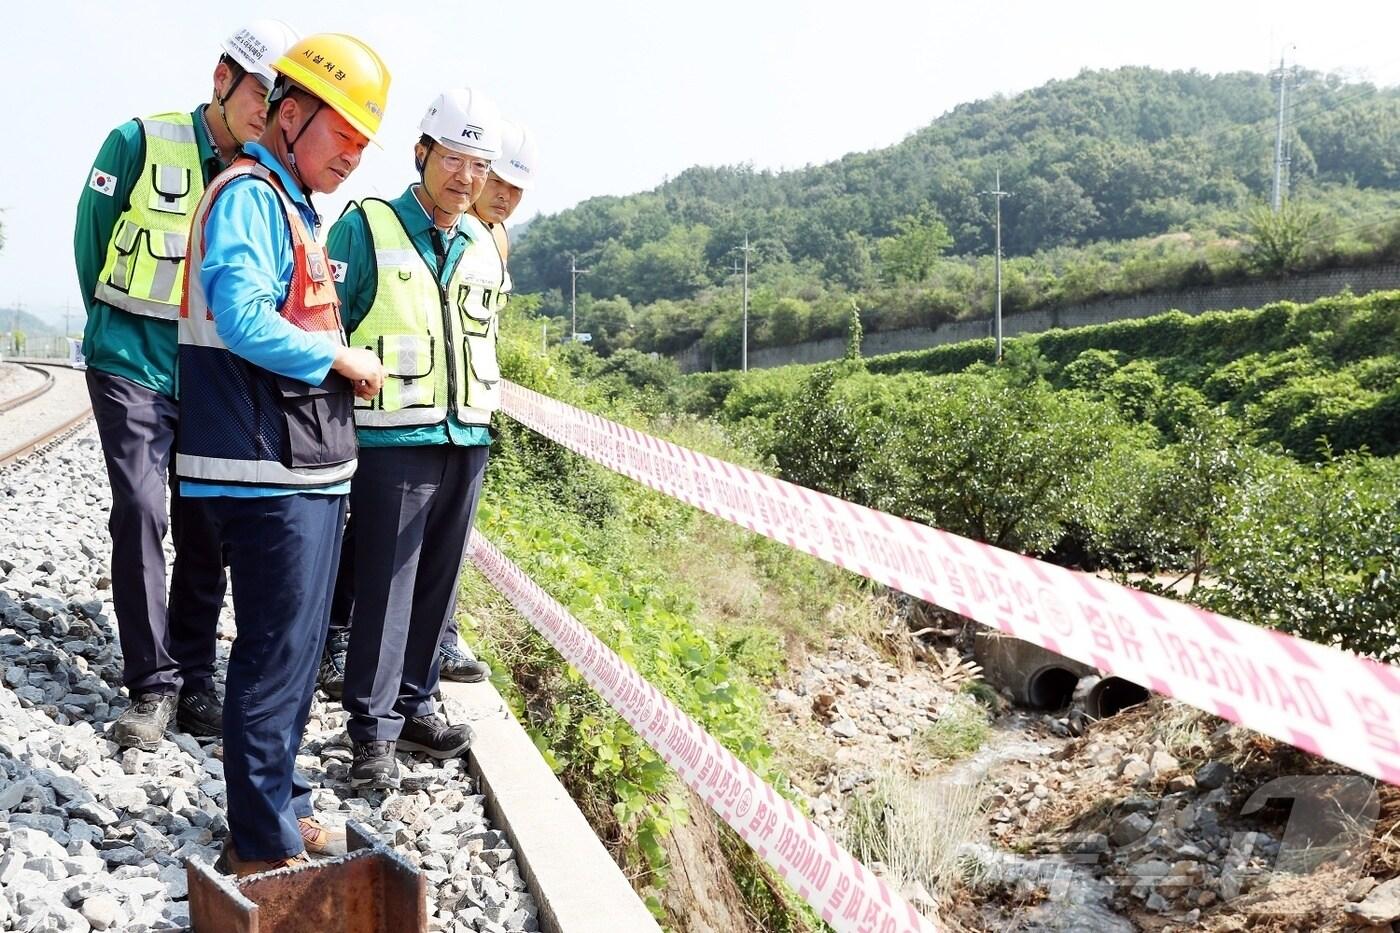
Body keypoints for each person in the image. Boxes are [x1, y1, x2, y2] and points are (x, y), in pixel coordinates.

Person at [176, 32, 390, 875]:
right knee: (272, 656)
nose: (353, 158)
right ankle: (262, 841)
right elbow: (242, 316)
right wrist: (340, 358)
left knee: (295, 657)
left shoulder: (292, 202)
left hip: (301, 463)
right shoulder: (250, 197)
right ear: (290, 114)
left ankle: (284, 804)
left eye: (364, 146)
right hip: (264, 466)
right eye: (344, 137)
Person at [73, 20, 299, 751]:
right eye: (260, 91)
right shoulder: (139, 142)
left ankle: (196, 675)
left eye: (280, 98)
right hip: (132, 361)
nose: (268, 109)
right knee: (142, 509)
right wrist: (114, 329)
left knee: (206, 526)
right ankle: (153, 684)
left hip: (212, 378)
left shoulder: (268, 182)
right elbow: (91, 240)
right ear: (222, 79)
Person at [321, 88, 507, 789]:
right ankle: (372, 732)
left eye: (479, 165)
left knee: (438, 581)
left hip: (466, 434)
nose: (467, 177)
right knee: (386, 586)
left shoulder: (482, 242)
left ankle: (416, 704)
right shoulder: (367, 226)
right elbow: (326, 324)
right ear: (421, 152)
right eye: (453, 159)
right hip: (392, 438)